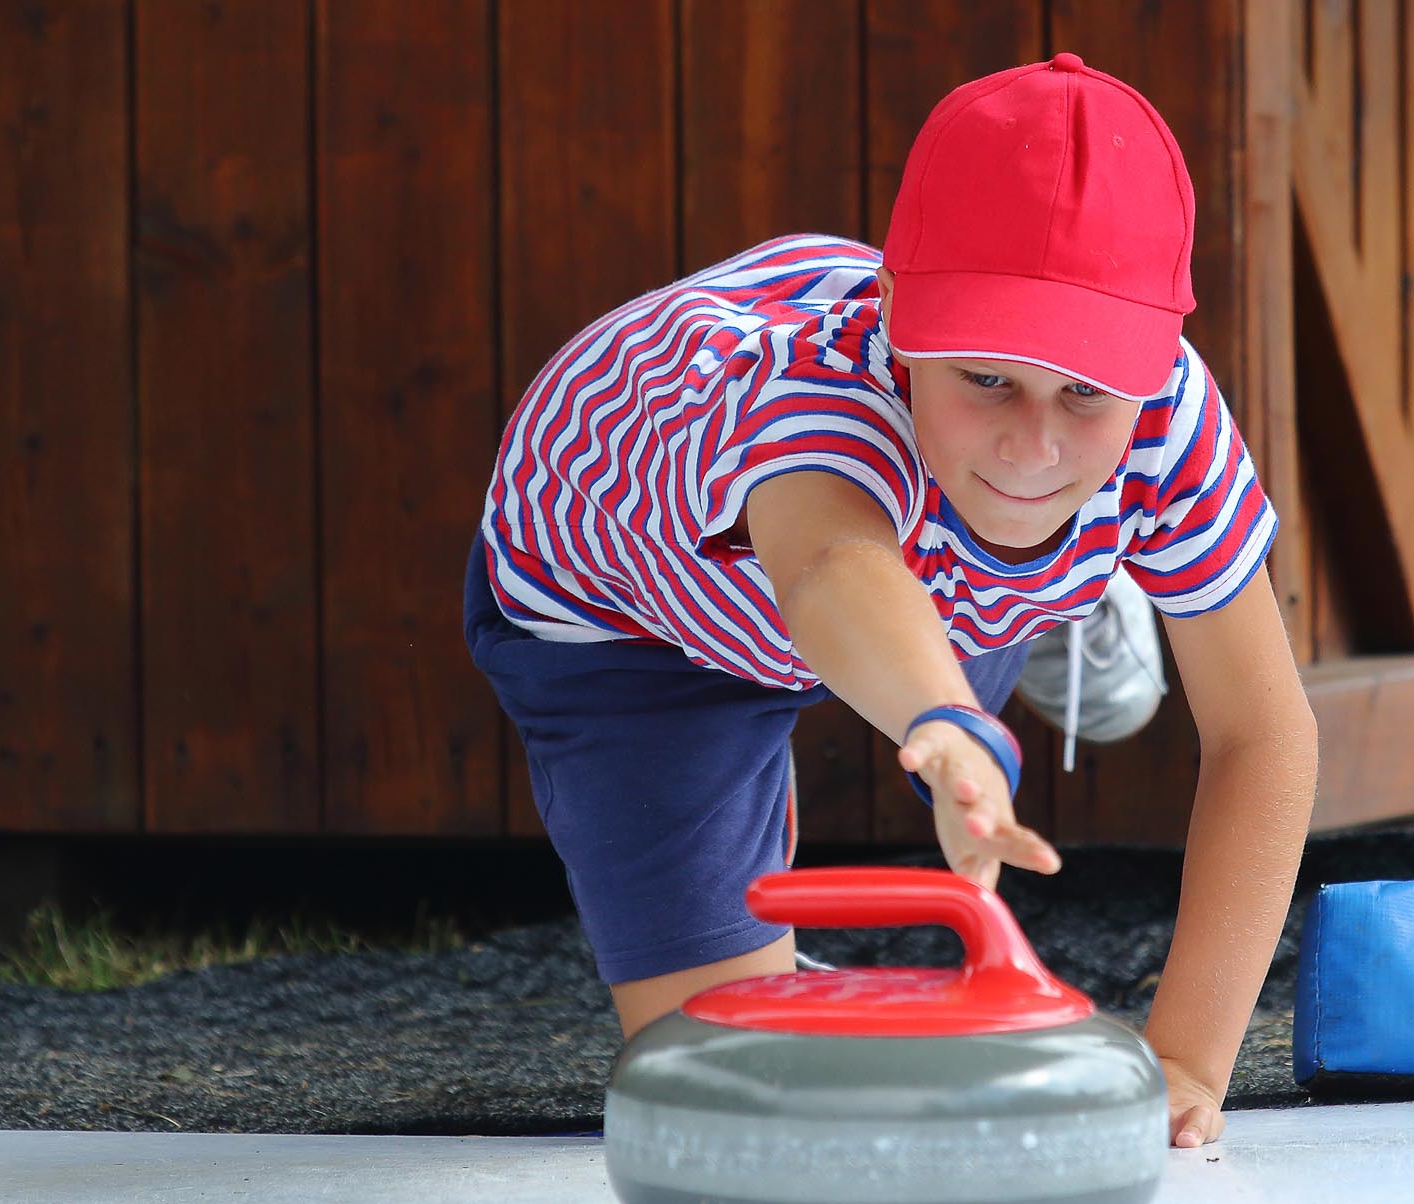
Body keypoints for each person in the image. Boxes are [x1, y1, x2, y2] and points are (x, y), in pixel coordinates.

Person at [463, 54, 1318, 1148]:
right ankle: (1019, 621)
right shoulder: (815, 393)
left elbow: (1263, 728)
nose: (1034, 440)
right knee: (717, 1077)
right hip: (632, 607)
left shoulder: (1166, 414)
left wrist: (1189, 1052)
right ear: (899, 322)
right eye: (988, 378)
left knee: (984, 549)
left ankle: (1058, 596)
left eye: (1085, 392)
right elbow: (833, 572)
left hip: (933, 567)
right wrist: (946, 722)